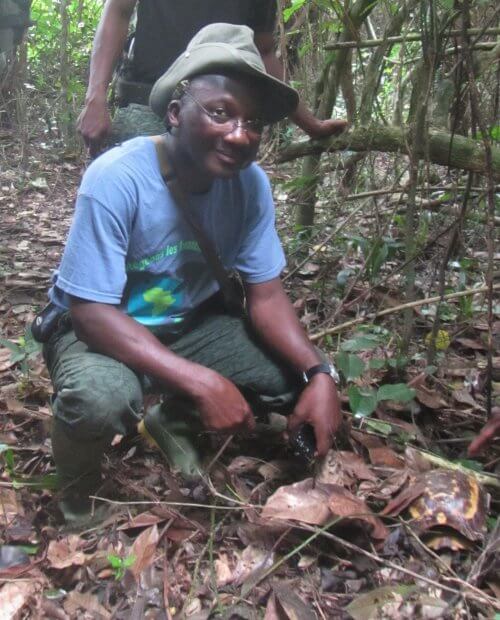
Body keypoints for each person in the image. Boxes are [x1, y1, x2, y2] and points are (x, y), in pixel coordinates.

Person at [44, 23, 341, 521]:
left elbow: (266, 296)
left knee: (291, 382)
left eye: (253, 124)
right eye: (221, 113)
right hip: (101, 329)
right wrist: (203, 381)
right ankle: (76, 500)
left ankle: (170, 415)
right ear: (177, 115)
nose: (239, 134)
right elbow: (90, 311)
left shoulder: (250, 186)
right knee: (99, 398)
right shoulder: (117, 178)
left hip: (188, 326)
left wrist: (320, 373)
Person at [77, 0, 348, 157]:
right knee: (136, 220)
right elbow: (118, 11)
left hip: (224, 119)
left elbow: (263, 52)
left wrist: (310, 123)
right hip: (147, 106)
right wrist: (95, 95)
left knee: (213, 229)